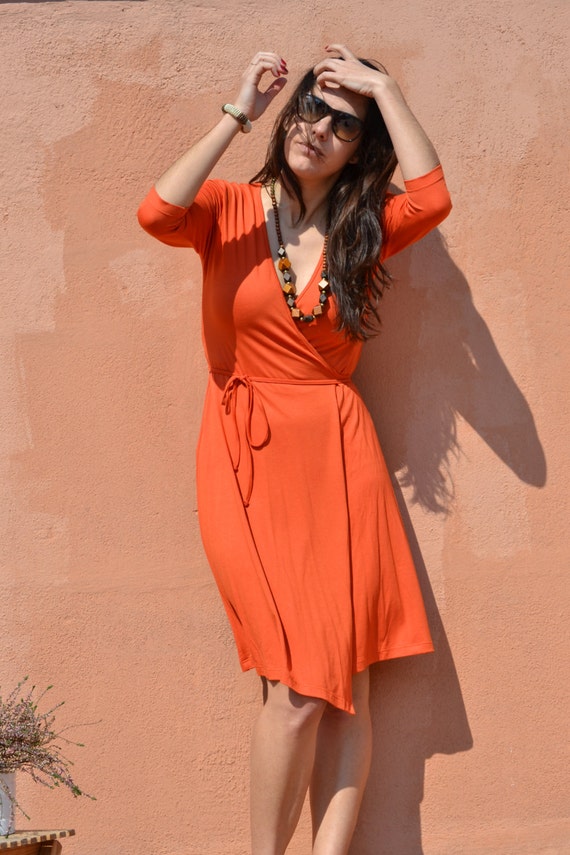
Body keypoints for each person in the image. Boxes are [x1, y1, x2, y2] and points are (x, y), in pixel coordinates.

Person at [137, 43, 452, 855]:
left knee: (346, 687)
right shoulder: (228, 209)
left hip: (341, 457)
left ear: (362, 145)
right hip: (245, 454)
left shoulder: (361, 229)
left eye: (344, 123)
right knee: (296, 689)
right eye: (310, 108)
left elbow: (433, 195)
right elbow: (155, 212)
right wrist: (238, 108)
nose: (318, 127)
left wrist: (383, 90)